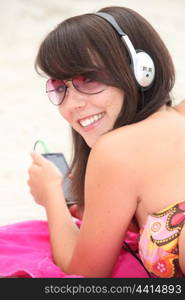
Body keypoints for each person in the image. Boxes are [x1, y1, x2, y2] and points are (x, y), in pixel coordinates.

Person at [0, 6, 185, 278]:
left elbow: (85, 277)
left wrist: (51, 193)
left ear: (140, 70)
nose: (72, 104)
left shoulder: (116, 151)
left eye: (88, 79)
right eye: (60, 87)